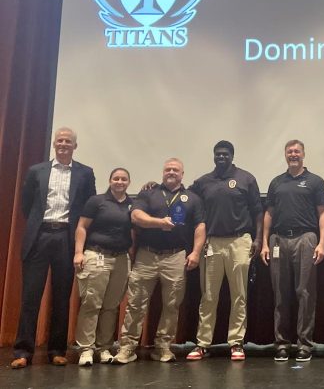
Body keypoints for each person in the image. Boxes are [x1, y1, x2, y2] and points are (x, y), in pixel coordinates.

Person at [11, 127, 96, 369]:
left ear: (74, 146)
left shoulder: (85, 173)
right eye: (59, 141)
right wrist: (41, 225)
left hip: (66, 239)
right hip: (40, 236)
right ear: (54, 144)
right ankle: (23, 351)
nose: (63, 144)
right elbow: (27, 205)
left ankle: (57, 350)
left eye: (68, 141)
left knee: (61, 297)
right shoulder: (36, 171)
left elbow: (89, 206)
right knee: (30, 297)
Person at [113, 158, 205, 364]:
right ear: (163, 172)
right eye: (168, 169)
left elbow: (200, 227)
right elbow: (136, 216)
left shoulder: (193, 198)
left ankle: (163, 346)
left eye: (176, 170)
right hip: (147, 255)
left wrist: (196, 252)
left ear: (183, 174)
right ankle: (128, 347)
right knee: (135, 302)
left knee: (172, 304)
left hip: (176, 256)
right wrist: (159, 223)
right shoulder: (148, 193)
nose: (171, 172)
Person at [186, 141, 263, 362]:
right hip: (212, 242)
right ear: (214, 156)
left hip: (240, 241)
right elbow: (183, 196)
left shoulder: (246, 178)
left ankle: (236, 342)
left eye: (225, 154)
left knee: (239, 295)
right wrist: (155, 185)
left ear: (232, 156)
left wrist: (257, 238)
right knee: (209, 295)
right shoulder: (203, 182)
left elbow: (258, 212)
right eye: (218, 154)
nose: (221, 157)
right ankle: (202, 344)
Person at [260, 140, 324, 362]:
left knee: (305, 293)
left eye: (297, 151)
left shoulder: (315, 181)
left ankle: (304, 344)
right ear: (285, 155)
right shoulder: (276, 182)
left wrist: (322, 243)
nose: (293, 154)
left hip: (306, 238)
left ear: (303, 154)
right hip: (278, 239)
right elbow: (268, 214)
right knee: (281, 293)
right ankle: (281, 343)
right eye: (289, 151)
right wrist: (264, 243)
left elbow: (323, 214)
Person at [73, 168, 134, 366]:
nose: (119, 182)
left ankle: (105, 348)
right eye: (116, 178)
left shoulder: (132, 205)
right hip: (96, 255)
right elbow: (82, 226)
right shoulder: (96, 201)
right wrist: (78, 252)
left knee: (111, 306)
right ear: (109, 180)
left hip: (121, 260)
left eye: (124, 179)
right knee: (92, 303)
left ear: (128, 183)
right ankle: (86, 349)